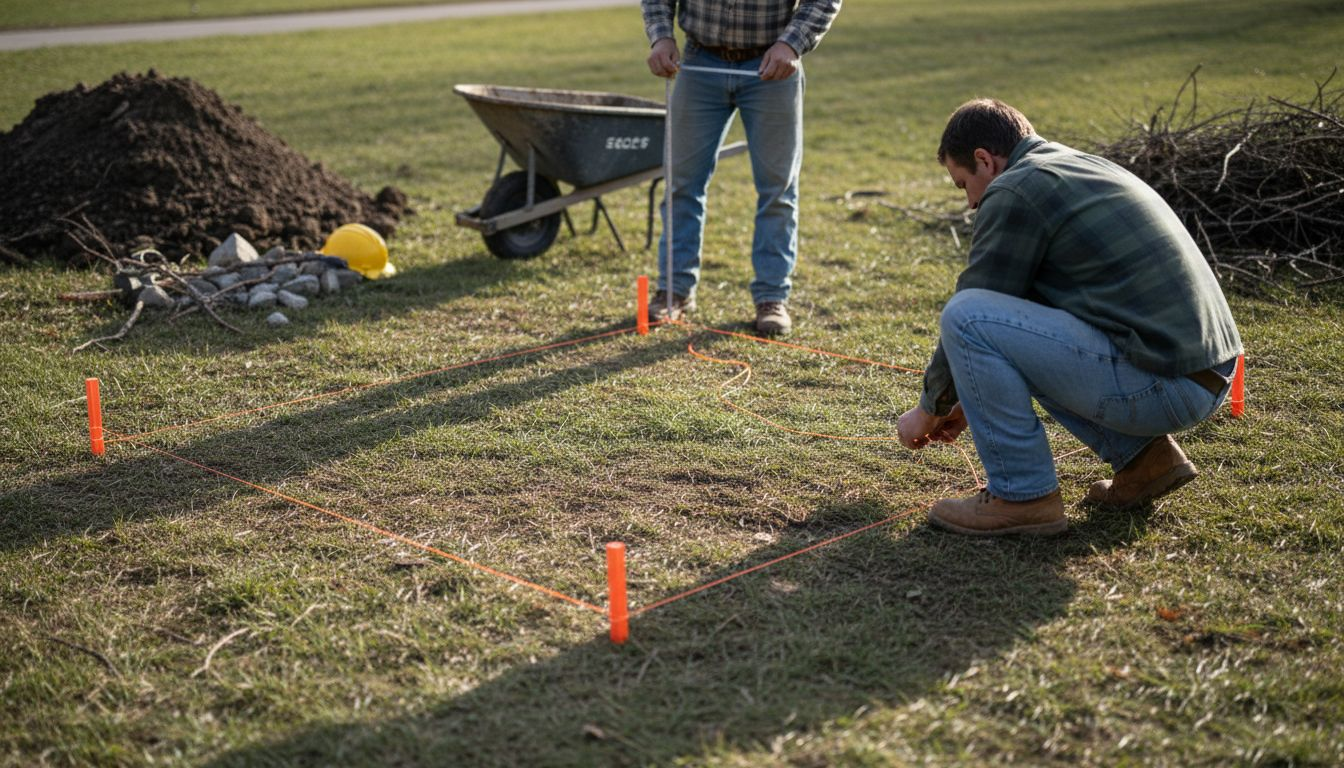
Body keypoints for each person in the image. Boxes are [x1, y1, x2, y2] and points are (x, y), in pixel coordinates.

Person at [896, 98, 1243, 536]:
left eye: (963, 183)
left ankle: (1022, 496)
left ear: (985, 160)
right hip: (1207, 373)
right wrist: (973, 393)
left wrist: (929, 409)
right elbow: (1030, 320)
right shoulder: (1075, 165)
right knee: (997, 316)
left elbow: (977, 308)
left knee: (966, 314)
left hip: (1166, 385)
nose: (969, 203)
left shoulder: (1016, 188)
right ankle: (1146, 462)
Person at [641, 0, 842, 336]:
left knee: (778, 189)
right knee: (681, 184)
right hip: (698, 62)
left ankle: (772, 297)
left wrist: (792, 42)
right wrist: (661, 36)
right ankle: (674, 290)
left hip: (773, 65)